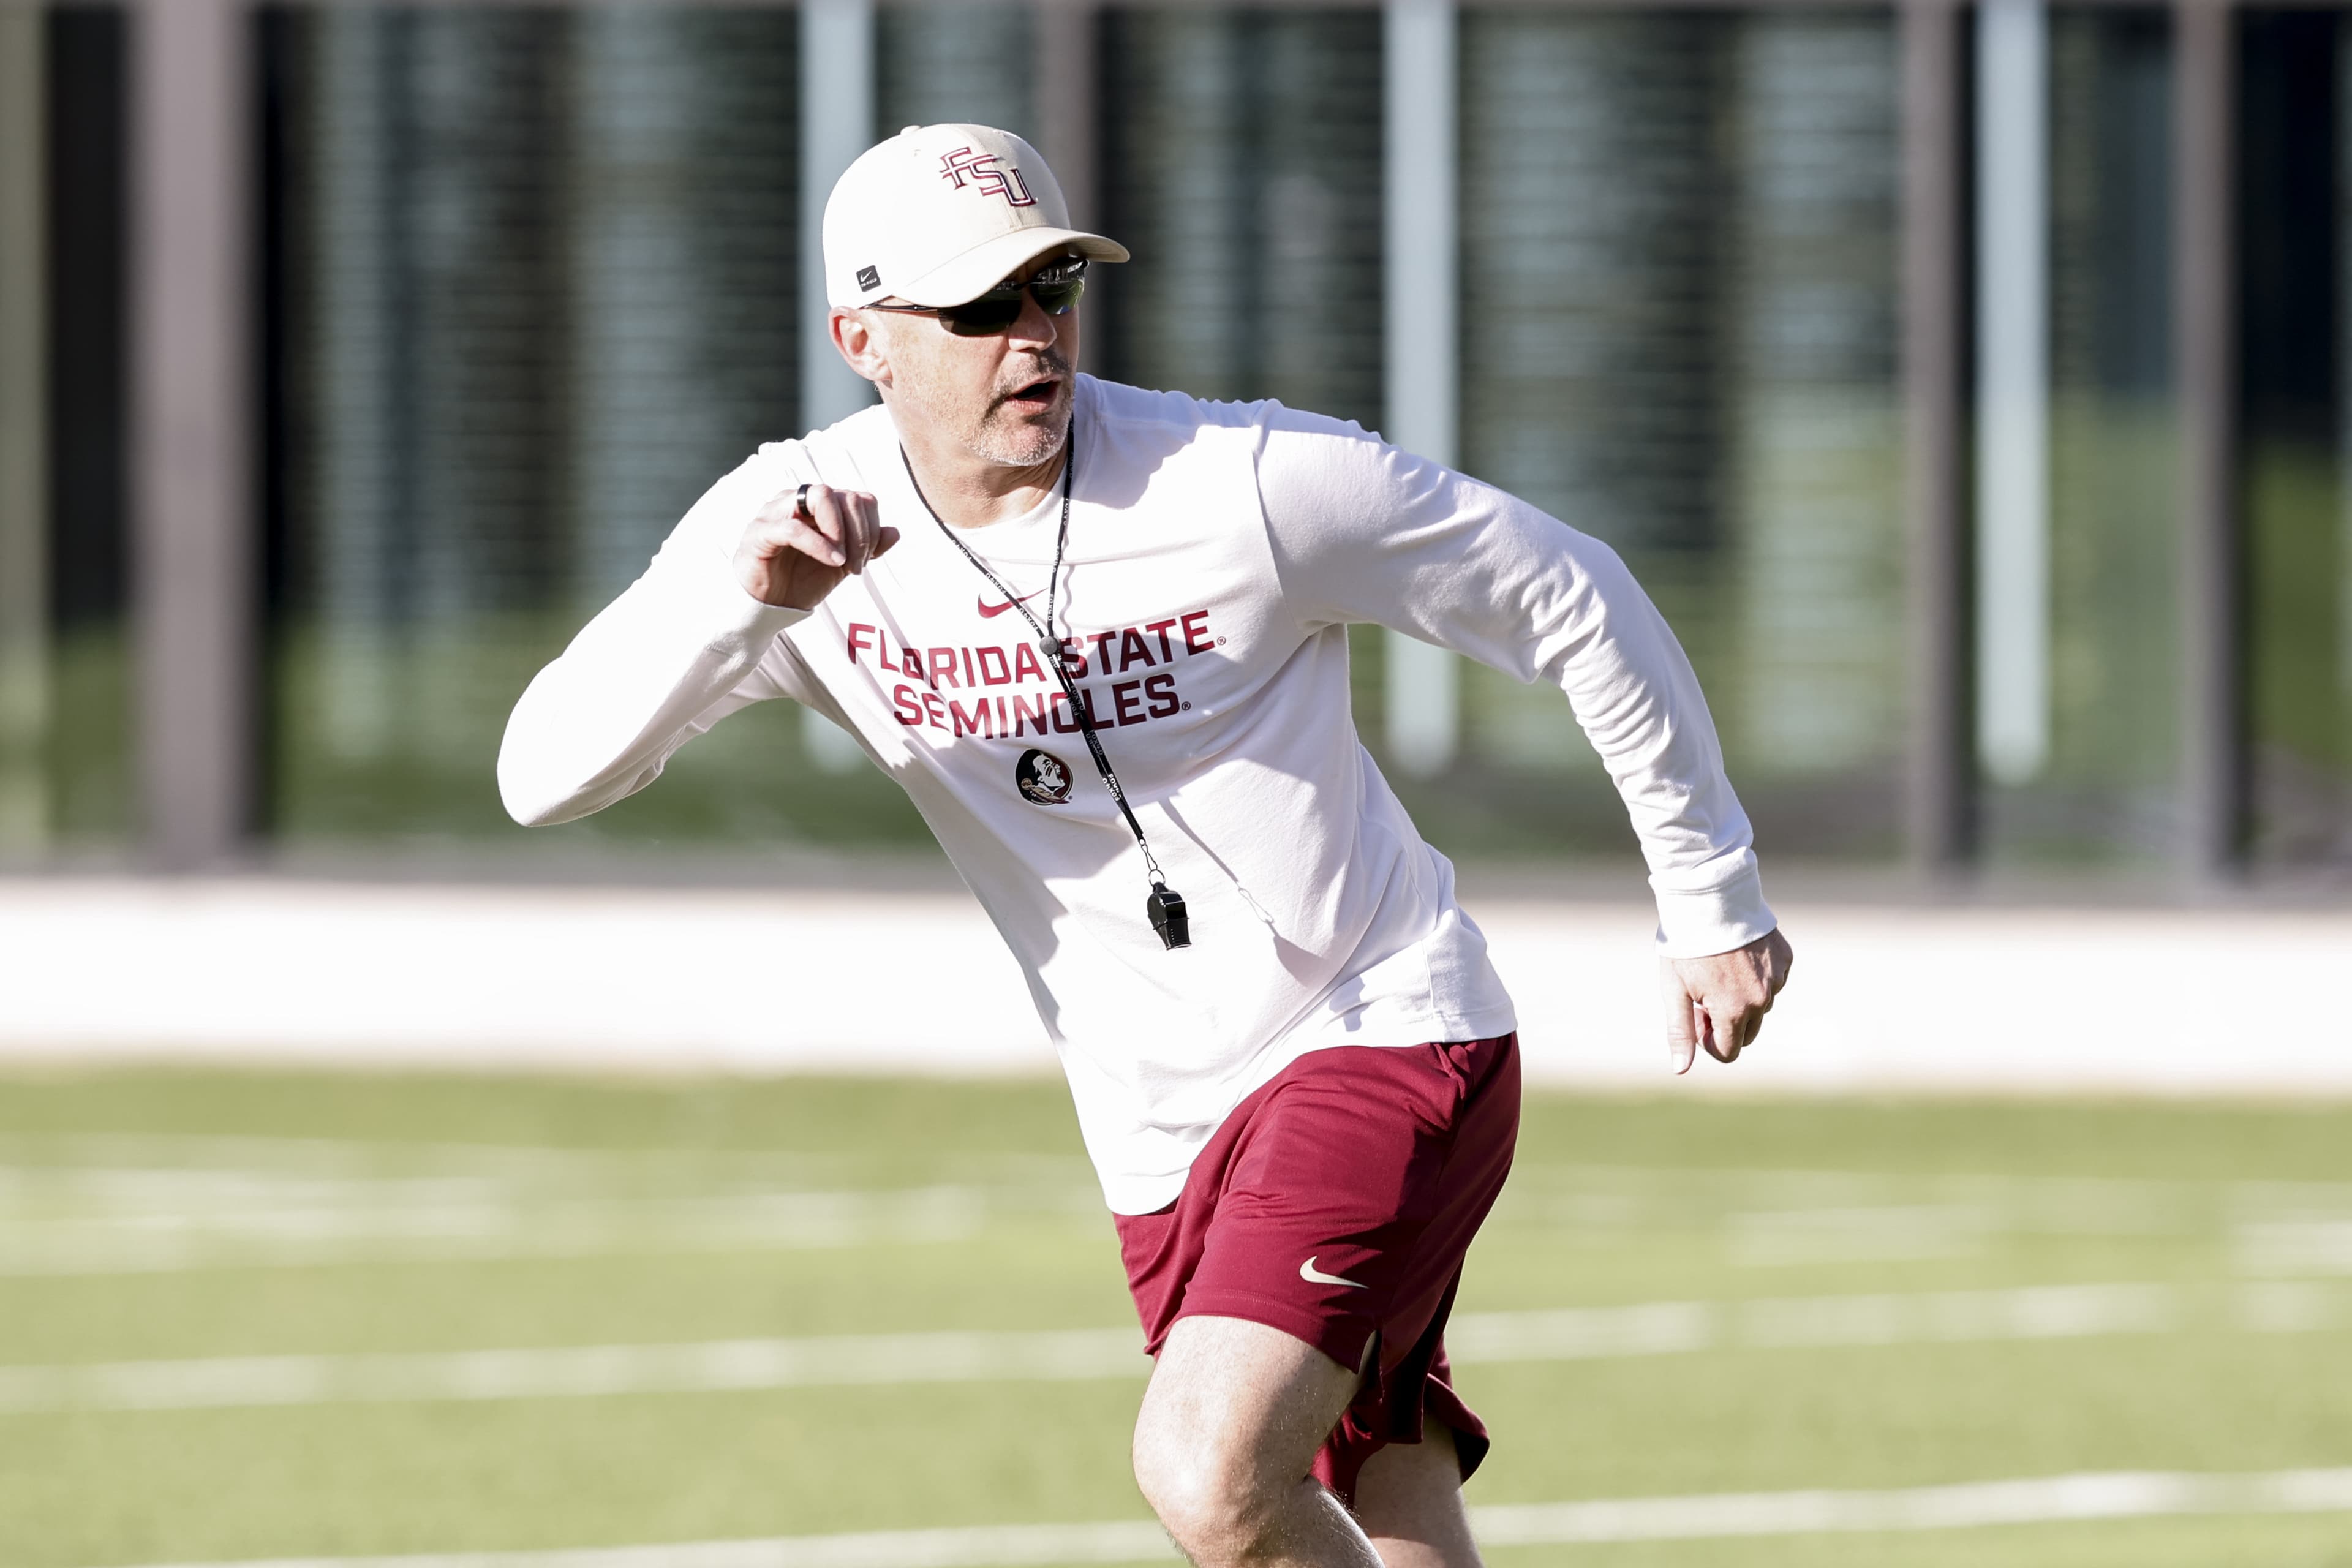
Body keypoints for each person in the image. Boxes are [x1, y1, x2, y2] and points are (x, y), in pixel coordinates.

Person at [499, 123, 1794, 1568]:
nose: (1033, 335)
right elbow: (540, 773)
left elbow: (1573, 590)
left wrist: (1709, 892)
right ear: (861, 335)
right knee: (1381, 1480)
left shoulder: (1241, 478)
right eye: (982, 308)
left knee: (1209, 1469)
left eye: (1054, 287)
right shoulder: (792, 523)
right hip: (1156, 1122)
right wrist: (750, 608)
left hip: (1381, 1021)